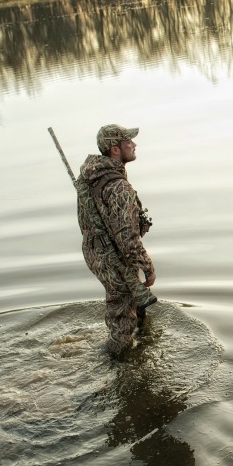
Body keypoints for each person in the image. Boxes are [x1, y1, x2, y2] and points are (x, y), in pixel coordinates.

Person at [76, 124, 157, 357]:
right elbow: (128, 238)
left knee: (135, 304)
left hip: (94, 253)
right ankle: (116, 364)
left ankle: (143, 344)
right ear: (115, 149)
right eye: (128, 142)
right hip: (114, 258)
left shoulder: (89, 177)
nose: (134, 144)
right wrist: (147, 266)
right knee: (122, 320)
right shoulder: (119, 187)